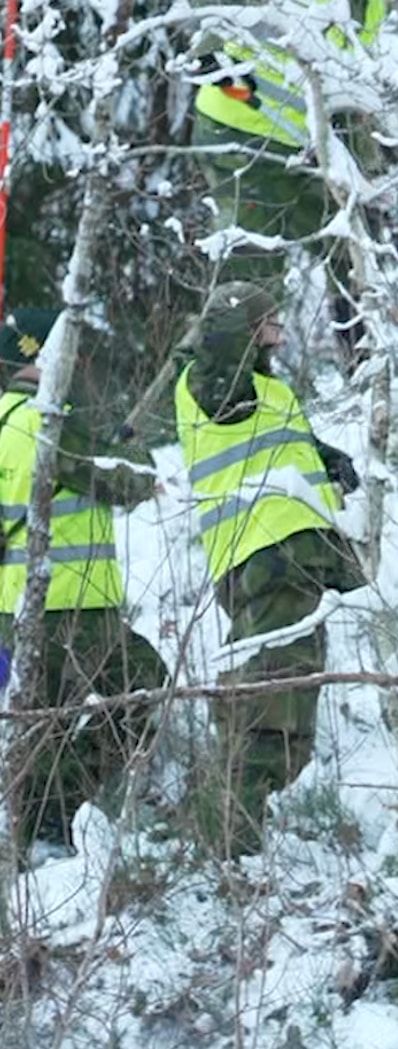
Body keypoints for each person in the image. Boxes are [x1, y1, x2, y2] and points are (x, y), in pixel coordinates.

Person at [174, 282, 367, 857]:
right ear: (241, 331)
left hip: (294, 553)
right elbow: (226, 398)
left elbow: (281, 443)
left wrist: (326, 456)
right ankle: (230, 838)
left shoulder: (268, 387)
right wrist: (224, 329)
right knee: (272, 697)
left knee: (286, 690)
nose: (278, 335)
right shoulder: (210, 380)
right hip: (264, 554)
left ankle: (233, 826)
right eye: (267, 324)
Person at [0, 308, 169, 854]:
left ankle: (30, 845)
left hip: (13, 609)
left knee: (42, 727)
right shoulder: (53, 419)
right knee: (145, 688)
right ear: (50, 357)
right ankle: (58, 815)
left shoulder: (4, 420)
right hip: (71, 605)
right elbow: (131, 482)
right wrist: (124, 444)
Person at [189, 0, 387, 365]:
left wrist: (361, 167)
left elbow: (347, 76)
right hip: (240, 135)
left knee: (354, 250)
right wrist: (210, 50)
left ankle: (367, 380)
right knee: (252, 275)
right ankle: (232, 398)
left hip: (310, 142)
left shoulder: (372, 6)